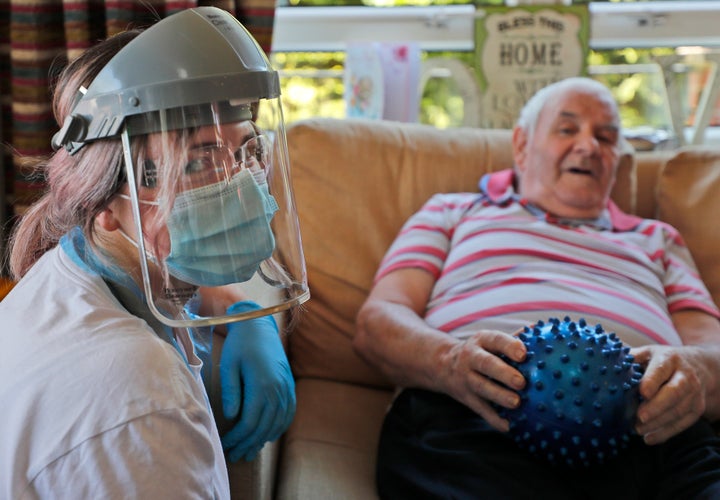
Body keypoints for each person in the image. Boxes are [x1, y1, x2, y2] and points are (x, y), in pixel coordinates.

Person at [354, 77, 720, 499]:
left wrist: (691, 374)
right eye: (567, 130)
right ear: (523, 145)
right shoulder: (453, 211)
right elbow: (377, 323)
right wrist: (448, 361)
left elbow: (711, 354)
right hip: (477, 417)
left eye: (606, 137)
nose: (589, 146)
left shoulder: (658, 238)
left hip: (650, 432)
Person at [0, 7, 309, 498]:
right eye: (198, 161)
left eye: (247, 151)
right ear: (102, 201)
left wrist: (249, 313)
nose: (243, 188)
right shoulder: (146, 405)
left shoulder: (75, 268)